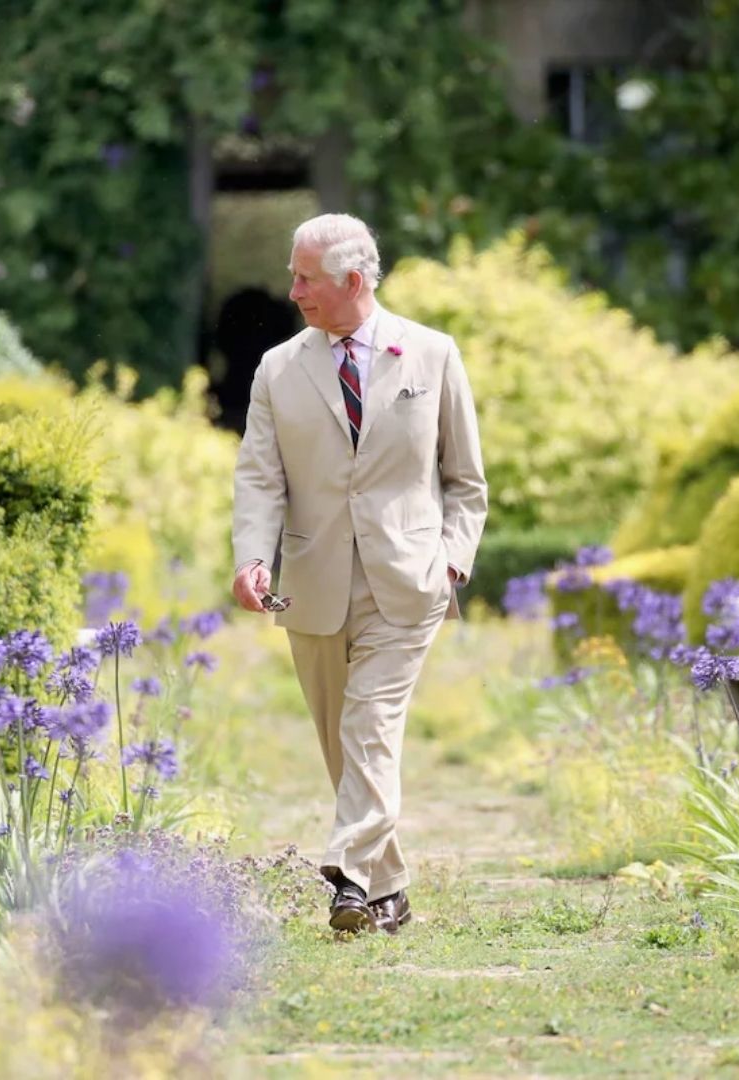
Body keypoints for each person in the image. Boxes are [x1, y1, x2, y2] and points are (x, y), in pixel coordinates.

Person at [231, 213, 487, 934]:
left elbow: (465, 480)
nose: (293, 290)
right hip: (312, 582)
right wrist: (252, 556)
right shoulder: (279, 369)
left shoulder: (432, 356)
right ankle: (387, 893)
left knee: (370, 725)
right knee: (343, 744)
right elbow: (259, 478)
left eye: (305, 277)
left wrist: (453, 557)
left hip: (408, 582)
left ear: (353, 280)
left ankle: (345, 872)